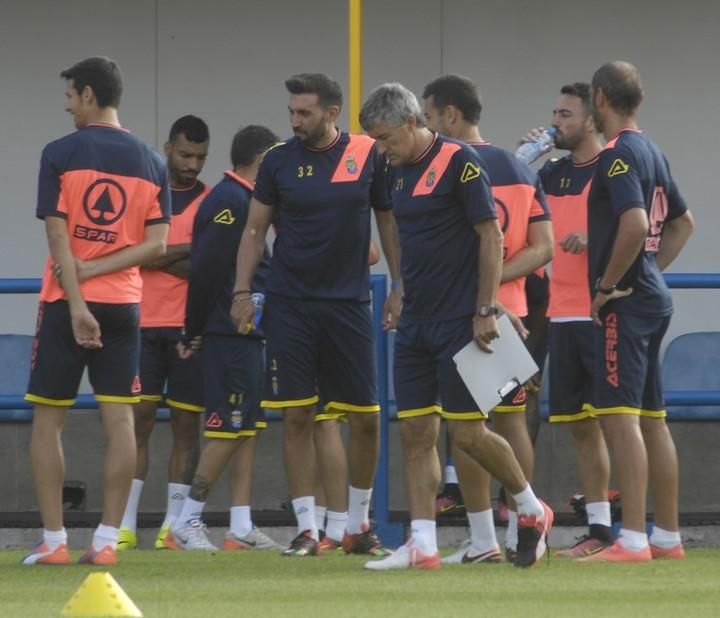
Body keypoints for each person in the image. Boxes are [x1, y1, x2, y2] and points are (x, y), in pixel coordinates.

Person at [359, 82, 553, 570]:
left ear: (411, 123)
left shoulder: (461, 161)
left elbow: (491, 237)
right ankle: (422, 543)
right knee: (416, 431)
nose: (381, 150)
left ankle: (531, 507)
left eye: (385, 138)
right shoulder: (394, 168)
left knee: (468, 435)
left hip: (461, 320)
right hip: (416, 320)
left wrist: (487, 307)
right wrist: (399, 287)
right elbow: (402, 236)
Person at [231, 73, 401, 557]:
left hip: (349, 305)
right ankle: (308, 529)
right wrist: (243, 290)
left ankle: (358, 526)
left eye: (304, 112)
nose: (295, 120)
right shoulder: (278, 161)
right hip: (290, 304)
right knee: (299, 415)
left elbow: (388, 222)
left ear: (332, 113)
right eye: (291, 112)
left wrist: (399, 286)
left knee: (367, 418)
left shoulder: (366, 153)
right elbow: (253, 230)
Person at [22, 56, 170, 566]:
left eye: (69, 97)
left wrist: (80, 289)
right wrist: (103, 268)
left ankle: (55, 542)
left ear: (87, 94)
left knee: (48, 420)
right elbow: (158, 244)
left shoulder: (60, 152)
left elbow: (58, 234)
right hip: (126, 306)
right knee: (120, 421)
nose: (67, 107)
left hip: (67, 306)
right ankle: (107, 542)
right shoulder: (152, 161)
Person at [420, 74, 554, 564]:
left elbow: (478, 243)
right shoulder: (517, 167)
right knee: (509, 420)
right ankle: (521, 524)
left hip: (470, 314)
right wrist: (498, 285)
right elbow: (542, 247)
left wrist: (482, 288)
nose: (427, 127)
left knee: (466, 426)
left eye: (430, 117)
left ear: (450, 115)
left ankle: (486, 539)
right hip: (513, 311)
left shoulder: (446, 167)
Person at [579, 61, 694, 562]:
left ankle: (631, 540)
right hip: (651, 297)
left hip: (624, 305)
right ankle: (666, 537)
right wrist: (650, 270)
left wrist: (609, 285)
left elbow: (635, 223)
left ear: (600, 97)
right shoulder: (652, 148)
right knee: (652, 419)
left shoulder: (618, 155)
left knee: (620, 418)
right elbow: (683, 223)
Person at [162, 125, 283, 552]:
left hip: (251, 334)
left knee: (248, 429)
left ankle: (240, 526)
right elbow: (207, 273)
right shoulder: (228, 202)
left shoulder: (246, 200)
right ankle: (187, 520)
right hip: (228, 335)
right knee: (227, 429)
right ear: (264, 160)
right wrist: (193, 331)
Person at [521, 83, 614, 557]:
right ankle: (597, 527)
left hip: (600, 312)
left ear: (592, 120)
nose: (557, 122)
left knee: (616, 423)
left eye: (567, 115)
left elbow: (639, 227)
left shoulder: (613, 168)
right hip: (558, 311)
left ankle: (621, 530)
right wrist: (524, 159)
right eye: (554, 113)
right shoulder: (552, 172)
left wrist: (592, 237)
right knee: (579, 423)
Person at [118, 115, 210, 551]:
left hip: (187, 328)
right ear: (167, 148)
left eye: (200, 157)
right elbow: (134, 257)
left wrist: (159, 254)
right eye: (186, 154)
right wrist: (185, 251)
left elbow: (207, 268)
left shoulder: (212, 201)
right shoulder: (147, 196)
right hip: (141, 324)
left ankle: (172, 526)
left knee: (186, 425)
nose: (192, 164)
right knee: (137, 422)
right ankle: (125, 522)